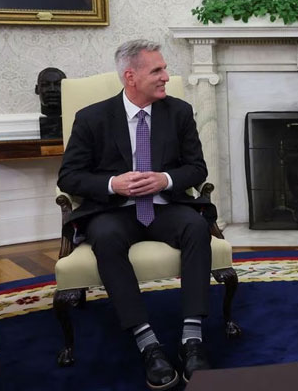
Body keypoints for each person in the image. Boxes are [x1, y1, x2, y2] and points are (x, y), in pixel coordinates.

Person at [58, 39, 217, 390]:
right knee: (107, 236)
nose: (166, 76)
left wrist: (166, 178)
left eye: (164, 69)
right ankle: (148, 344)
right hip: (114, 211)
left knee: (195, 226)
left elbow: (197, 168)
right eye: (157, 70)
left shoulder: (179, 112)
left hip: (164, 206)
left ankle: (192, 338)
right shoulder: (92, 118)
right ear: (131, 76)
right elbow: (68, 176)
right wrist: (115, 183)